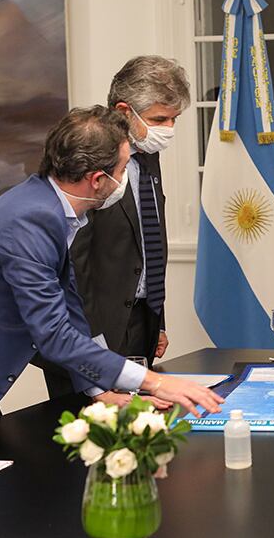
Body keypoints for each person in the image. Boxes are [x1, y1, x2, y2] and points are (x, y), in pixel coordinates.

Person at [0, 106, 222, 454]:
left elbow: (70, 308)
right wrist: (155, 382)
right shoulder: (30, 219)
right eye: (122, 170)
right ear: (97, 179)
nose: (123, 180)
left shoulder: (51, 206)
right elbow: (52, 333)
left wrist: (97, 389)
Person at [36, 56, 190, 405]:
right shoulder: (84, 153)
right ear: (124, 111)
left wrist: (156, 315)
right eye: (159, 119)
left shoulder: (148, 154)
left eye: (174, 118)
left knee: (137, 439)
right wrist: (89, 344)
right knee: (86, 444)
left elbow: (148, 239)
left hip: (140, 320)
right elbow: (73, 261)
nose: (168, 128)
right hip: (89, 329)